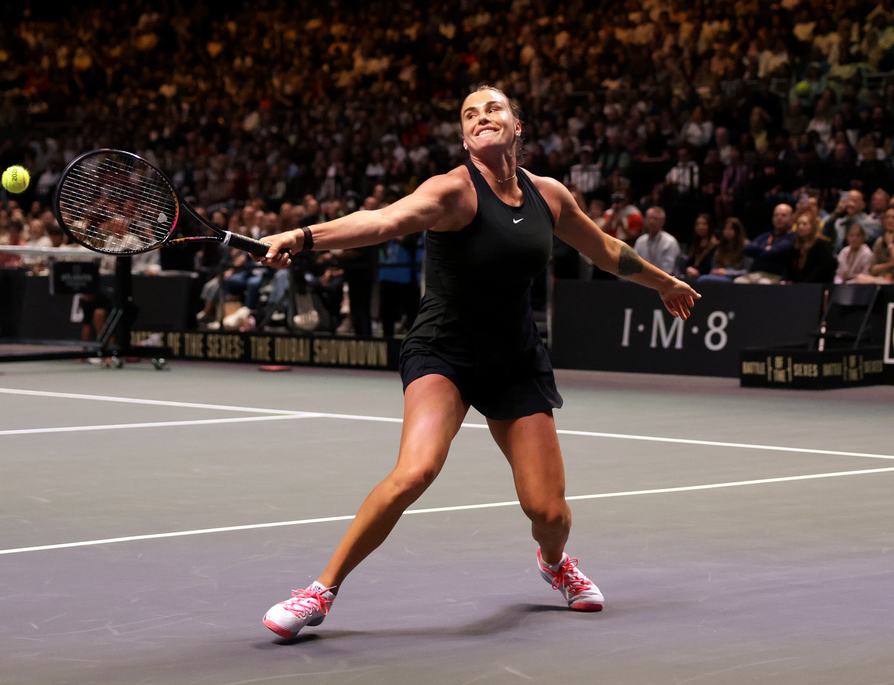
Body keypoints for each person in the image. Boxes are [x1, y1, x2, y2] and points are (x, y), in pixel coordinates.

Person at [254, 86, 700, 639]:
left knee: (549, 513)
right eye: (469, 114)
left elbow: (606, 249)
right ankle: (320, 591)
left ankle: (555, 563)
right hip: (445, 349)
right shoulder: (452, 192)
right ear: (465, 138)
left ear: (516, 125)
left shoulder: (549, 196)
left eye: (492, 109)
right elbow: (382, 221)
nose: (481, 117)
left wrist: (664, 283)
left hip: (515, 357)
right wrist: (303, 237)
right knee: (415, 471)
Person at [734, 203, 796, 284]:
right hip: (755, 274)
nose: (779, 218)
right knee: (738, 281)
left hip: (775, 275)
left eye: (783, 215)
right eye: (776, 215)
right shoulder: (766, 235)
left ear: (792, 218)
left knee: (763, 283)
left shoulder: (793, 237)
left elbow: (774, 252)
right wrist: (765, 249)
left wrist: (760, 249)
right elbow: (747, 248)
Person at [786, 212, 837, 283]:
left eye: (804, 224)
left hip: (817, 284)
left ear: (813, 226)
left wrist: (804, 283)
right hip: (797, 284)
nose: (800, 227)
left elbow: (822, 268)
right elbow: (787, 266)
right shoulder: (795, 245)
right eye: (798, 224)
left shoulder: (822, 244)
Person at [698, 217, 752, 283]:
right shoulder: (721, 246)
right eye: (725, 228)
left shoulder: (746, 246)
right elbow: (714, 267)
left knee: (704, 279)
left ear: (737, 230)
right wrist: (716, 271)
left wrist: (726, 272)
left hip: (735, 278)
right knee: (703, 279)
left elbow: (747, 271)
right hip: (719, 276)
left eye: (731, 228)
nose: (727, 231)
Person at [634, 206, 681, 277]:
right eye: (649, 218)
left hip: (664, 280)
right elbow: (634, 264)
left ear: (663, 222)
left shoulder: (670, 242)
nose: (651, 222)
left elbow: (667, 270)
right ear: (645, 220)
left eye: (655, 219)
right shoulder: (640, 241)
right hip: (642, 279)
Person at [682, 213, 718, 280]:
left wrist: (696, 272)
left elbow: (710, 266)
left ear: (709, 226)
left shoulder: (715, 245)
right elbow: (688, 263)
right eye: (698, 224)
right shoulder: (695, 244)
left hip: (705, 278)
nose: (700, 227)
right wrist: (688, 269)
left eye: (704, 224)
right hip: (691, 275)